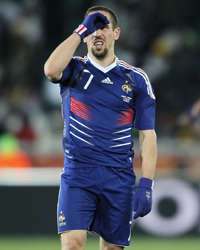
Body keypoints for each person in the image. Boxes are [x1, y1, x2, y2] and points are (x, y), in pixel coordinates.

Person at [44, 5, 157, 250]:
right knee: (72, 244)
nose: (97, 33)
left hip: (118, 177)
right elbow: (51, 70)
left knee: (111, 248)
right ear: (85, 34)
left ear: (116, 33)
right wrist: (80, 29)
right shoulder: (74, 69)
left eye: (103, 26)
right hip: (78, 174)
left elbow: (148, 135)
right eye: (92, 27)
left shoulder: (135, 79)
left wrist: (147, 183)